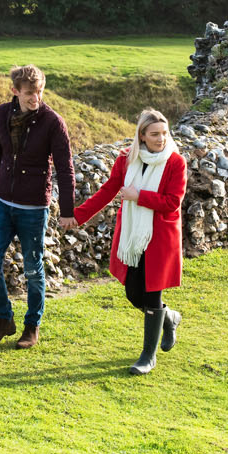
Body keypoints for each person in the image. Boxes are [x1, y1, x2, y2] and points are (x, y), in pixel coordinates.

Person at [73, 109, 186, 374]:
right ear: (142, 136)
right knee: (134, 294)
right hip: (133, 235)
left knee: (152, 291)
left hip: (160, 236)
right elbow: (109, 189)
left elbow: (173, 203)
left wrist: (139, 196)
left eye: (164, 133)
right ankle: (169, 317)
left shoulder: (175, 162)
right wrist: (78, 215)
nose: (161, 139)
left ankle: (148, 356)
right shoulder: (127, 157)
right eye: (154, 134)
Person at [0, 64, 76, 349]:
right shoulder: (1, 114)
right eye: (30, 93)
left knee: (33, 268)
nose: (36, 99)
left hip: (34, 208)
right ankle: (5, 319)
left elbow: (66, 169)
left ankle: (32, 327)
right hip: (2, 203)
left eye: (40, 92)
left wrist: (67, 210)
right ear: (15, 91)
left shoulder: (53, 122)